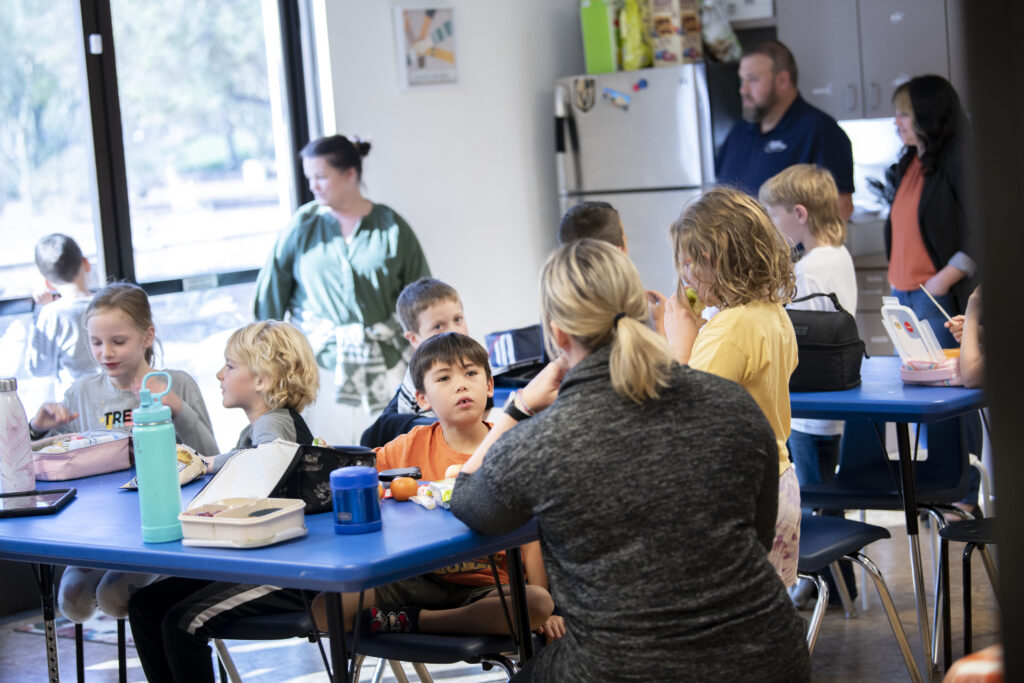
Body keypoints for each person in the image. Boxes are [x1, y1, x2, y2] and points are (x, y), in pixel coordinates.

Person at [450, 240, 810, 681]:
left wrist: (518, 406)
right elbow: (756, 539)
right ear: (643, 309)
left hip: (624, 669)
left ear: (559, 334)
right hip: (769, 658)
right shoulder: (731, 404)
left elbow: (467, 499)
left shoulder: (543, 442)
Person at [311, 332, 560, 643]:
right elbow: (355, 471)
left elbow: (531, 539)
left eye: (471, 373)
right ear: (423, 399)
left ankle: (417, 622)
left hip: (489, 588)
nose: (461, 384)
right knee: (326, 607)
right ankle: (421, 620)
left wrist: (549, 614)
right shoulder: (410, 445)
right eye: (444, 378)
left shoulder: (509, 444)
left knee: (536, 603)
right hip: (418, 580)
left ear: (489, 386)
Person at [128, 320, 321, 683]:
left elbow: (268, 457)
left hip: (284, 572)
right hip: (258, 562)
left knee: (182, 623)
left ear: (262, 379)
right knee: (145, 605)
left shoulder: (273, 425)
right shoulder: (265, 423)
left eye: (230, 366)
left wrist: (209, 462)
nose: (220, 373)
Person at [26, 282, 219, 623]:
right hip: (98, 527)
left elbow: (212, 456)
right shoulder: (81, 392)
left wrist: (178, 410)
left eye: (118, 342)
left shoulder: (177, 383)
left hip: (162, 523)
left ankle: (165, 580)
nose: (105, 354)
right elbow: (43, 463)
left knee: (114, 598)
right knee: (73, 602)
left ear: (147, 337)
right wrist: (38, 428)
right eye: (96, 343)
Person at [662, 187, 801, 588]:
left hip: (741, 496)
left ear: (715, 261)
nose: (684, 273)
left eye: (689, 261)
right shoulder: (771, 313)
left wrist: (679, 345)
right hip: (780, 480)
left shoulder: (728, 328)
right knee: (764, 613)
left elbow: (689, 416)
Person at [252, 134, 431, 445]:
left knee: (385, 450)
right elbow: (269, 301)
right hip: (319, 365)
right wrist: (267, 362)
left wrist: (430, 359)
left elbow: (423, 301)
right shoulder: (303, 226)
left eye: (321, 177)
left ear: (350, 174)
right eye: (310, 178)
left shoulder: (391, 227)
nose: (314, 186)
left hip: (385, 363)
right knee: (324, 453)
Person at [759, 164, 859, 608]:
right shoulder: (838, 255)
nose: (773, 223)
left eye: (774, 215)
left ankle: (825, 586)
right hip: (832, 403)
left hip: (810, 409)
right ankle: (838, 584)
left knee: (813, 498)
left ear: (799, 213)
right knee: (826, 493)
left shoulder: (812, 266)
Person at [716, 41, 855, 222]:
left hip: (792, 251)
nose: (743, 90)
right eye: (742, 80)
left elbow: (840, 207)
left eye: (753, 80)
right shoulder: (738, 131)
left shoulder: (822, 130)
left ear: (782, 80)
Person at [886, 75, 976, 349]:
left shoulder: (960, 158)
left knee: (940, 384)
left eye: (904, 114)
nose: (896, 122)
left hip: (935, 293)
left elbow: (989, 229)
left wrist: (942, 280)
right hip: (902, 293)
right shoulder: (911, 161)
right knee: (914, 378)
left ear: (928, 114)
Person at [360, 277, 469, 447]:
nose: (453, 331)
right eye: (438, 326)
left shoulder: (472, 358)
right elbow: (408, 427)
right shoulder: (419, 372)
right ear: (414, 339)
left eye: (457, 319)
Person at [26, 234, 98, 400]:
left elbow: (38, 367)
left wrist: (40, 310)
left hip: (74, 404)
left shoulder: (52, 313)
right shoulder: (109, 302)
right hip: (115, 398)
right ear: (86, 264)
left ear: (48, 283)